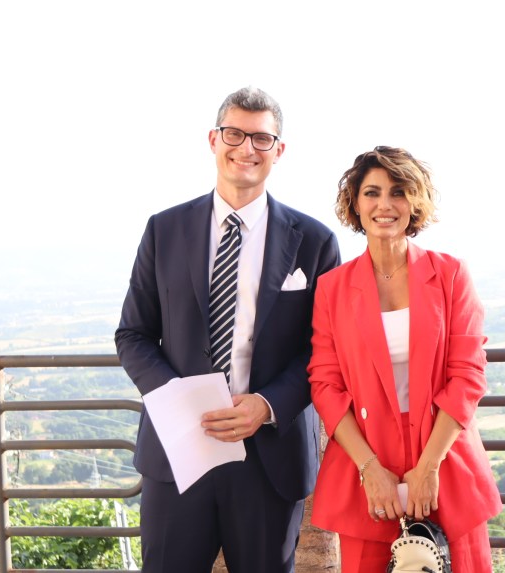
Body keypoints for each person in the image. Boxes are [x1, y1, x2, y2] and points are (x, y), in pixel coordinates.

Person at [115, 86, 340, 573]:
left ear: (278, 151)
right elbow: (132, 334)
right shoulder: (163, 229)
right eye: (234, 134)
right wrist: (181, 401)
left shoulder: (316, 241)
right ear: (213, 140)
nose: (246, 149)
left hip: (269, 460)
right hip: (177, 453)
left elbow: (324, 349)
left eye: (261, 139)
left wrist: (267, 404)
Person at [307, 146, 502, 572]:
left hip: (443, 459)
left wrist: (429, 466)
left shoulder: (450, 274)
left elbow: (468, 374)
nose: (384, 205)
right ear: (355, 204)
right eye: (372, 193)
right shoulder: (331, 289)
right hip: (366, 468)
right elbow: (325, 385)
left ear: (414, 202)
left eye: (398, 192)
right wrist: (369, 469)